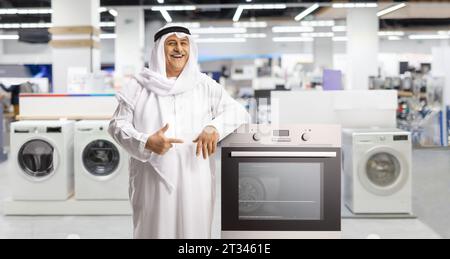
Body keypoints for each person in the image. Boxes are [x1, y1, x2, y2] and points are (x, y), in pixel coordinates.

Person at [108, 25, 250, 239]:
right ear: (158, 49)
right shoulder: (138, 86)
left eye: (184, 43)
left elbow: (238, 111)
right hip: (152, 180)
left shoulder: (203, 85)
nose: (179, 49)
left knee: (194, 233)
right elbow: (117, 125)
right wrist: (145, 141)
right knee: (153, 230)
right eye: (172, 43)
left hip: (195, 176)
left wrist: (215, 127)